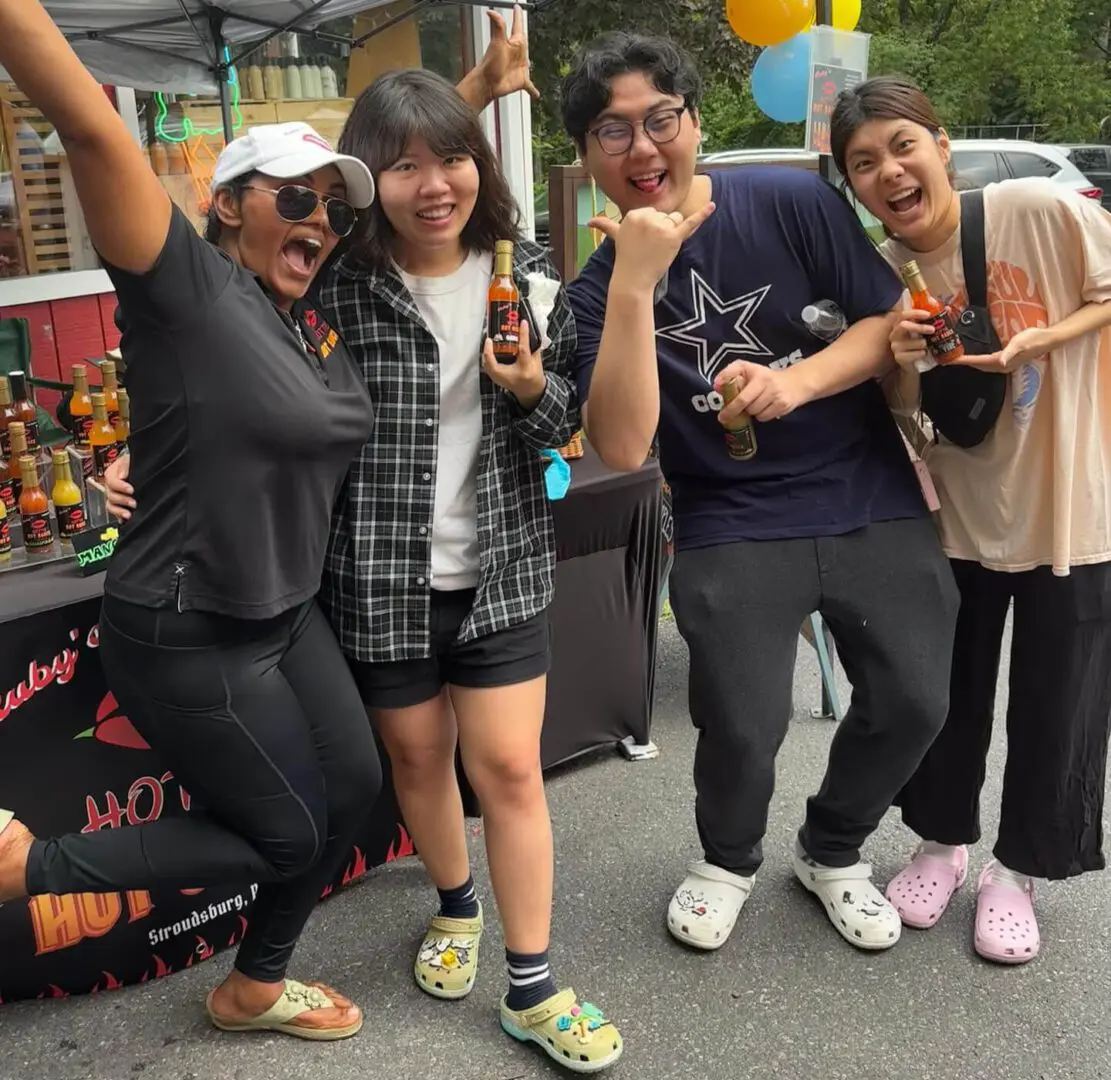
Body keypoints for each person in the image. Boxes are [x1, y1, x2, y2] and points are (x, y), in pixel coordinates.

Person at [0, 0, 383, 1041]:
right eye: (295, 198)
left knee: (350, 796)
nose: (320, 222)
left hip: (285, 613)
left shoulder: (309, 322)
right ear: (226, 207)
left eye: (335, 211)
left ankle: (252, 986)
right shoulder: (189, 289)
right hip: (187, 624)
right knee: (289, 835)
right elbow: (88, 127)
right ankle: (30, 866)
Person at [559, 32, 960, 954]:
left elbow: (882, 318)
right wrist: (632, 285)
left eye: (660, 119)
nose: (643, 148)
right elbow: (621, 441)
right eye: (612, 132)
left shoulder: (784, 199)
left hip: (867, 492)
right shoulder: (590, 293)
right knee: (743, 717)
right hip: (729, 516)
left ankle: (832, 848)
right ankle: (727, 859)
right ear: (586, 159)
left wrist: (799, 382)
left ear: (694, 123)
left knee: (914, 700)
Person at [309, 67, 622, 1073]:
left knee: (511, 772)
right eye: (402, 165)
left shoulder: (526, 273)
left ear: (477, 167)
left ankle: (530, 987)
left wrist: (533, 385)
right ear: (368, 179)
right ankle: (455, 907)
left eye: (449, 157)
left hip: (503, 570)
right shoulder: (335, 282)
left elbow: (567, 420)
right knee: (415, 760)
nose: (432, 183)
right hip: (377, 575)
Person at [830, 75, 1111, 964]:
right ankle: (940, 844)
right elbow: (914, 428)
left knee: (1057, 701)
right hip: (954, 522)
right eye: (863, 163)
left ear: (941, 145)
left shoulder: (1036, 208)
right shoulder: (883, 280)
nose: (889, 172)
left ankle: (1016, 869)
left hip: (1071, 510)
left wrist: (1042, 339)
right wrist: (903, 368)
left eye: (901, 147)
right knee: (944, 695)